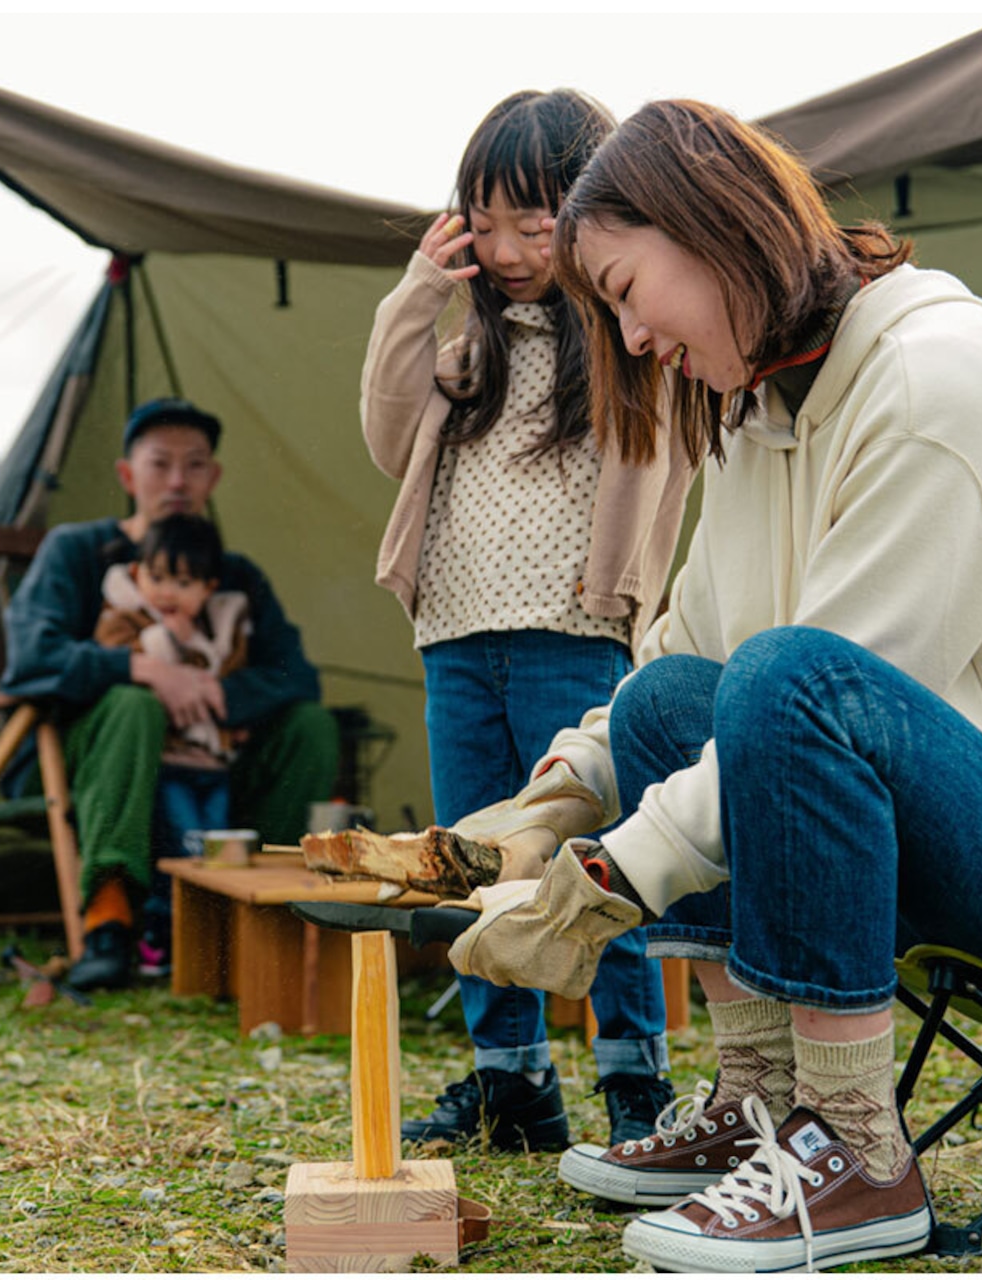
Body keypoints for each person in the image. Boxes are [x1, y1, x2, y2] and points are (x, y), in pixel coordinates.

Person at [441, 98, 982, 1272]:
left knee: (792, 680)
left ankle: (852, 1144)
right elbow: (689, 636)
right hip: (938, 837)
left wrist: (605, 881)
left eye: (627, 292)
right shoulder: (763, 410)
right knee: (667, 697)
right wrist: (557, 795)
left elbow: (846, 684)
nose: (631, 339)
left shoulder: (938, 378)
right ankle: (758, 1105)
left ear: (710, 226)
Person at [360, 89, 694, 1151]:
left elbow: (671, 460)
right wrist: (416, 295)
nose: (505, 250)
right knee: (468, 866)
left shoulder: (634, 347)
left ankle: (633, 1079)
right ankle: (511, 1083)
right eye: (484, 221)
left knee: (592, 860)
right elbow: (382, 434)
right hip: (455, 637)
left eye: (534, 223)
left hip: (573, 636)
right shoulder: (465, 356)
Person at [3, 396, 339, 992]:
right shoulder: (75, 551)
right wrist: (145, 669)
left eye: (195, 465)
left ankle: (263, 913)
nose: (178, 481)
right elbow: (32, 657)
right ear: (128, 475)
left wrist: (217, 691)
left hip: (210, 760)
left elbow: (295, 676)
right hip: (94, 759)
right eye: (161, 464)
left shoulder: (233, 575)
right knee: (134, 703)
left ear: (214, 477)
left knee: (310, 724)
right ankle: (109, 921)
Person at [94, 510, 253, 974]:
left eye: (183, 584)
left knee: (215, 851)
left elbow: (232, 676)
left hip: (213, 765)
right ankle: (162, 937)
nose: (166, 593)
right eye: (157, 577)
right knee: (182, 847)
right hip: (170, 762)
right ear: (138, 574)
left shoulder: (219, 628)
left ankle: (212, 942)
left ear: (208, 590)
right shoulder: (125, 614)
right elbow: (113, 656)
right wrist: (165, 639)